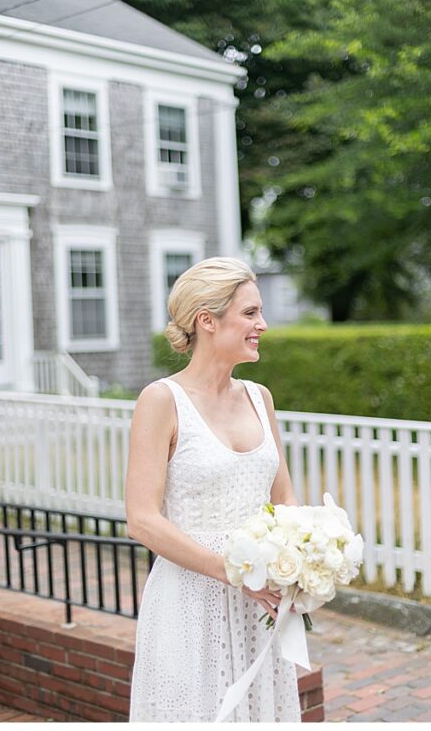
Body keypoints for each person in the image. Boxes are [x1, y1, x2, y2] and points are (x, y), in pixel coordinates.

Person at [125, 257, 301, 721]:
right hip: (190, 600)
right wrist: (233, 572)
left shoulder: (260, 397)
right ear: (207, 320)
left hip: (258, 604)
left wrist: (301, 555)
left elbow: (283, 497)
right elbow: (142, 519)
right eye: (249, 313)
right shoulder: (161, 400)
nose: (262, 324)